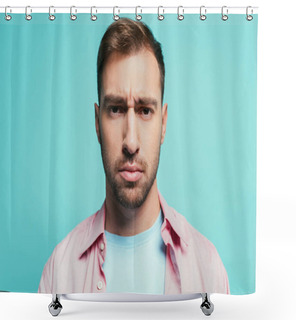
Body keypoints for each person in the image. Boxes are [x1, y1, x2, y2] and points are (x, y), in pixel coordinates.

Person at [38, 17, 229, 295]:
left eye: (144, 110)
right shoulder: (59, 270)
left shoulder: (208, 267)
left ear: (163, 124)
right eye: (115, 109)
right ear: (96, 123)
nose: (130, 142)